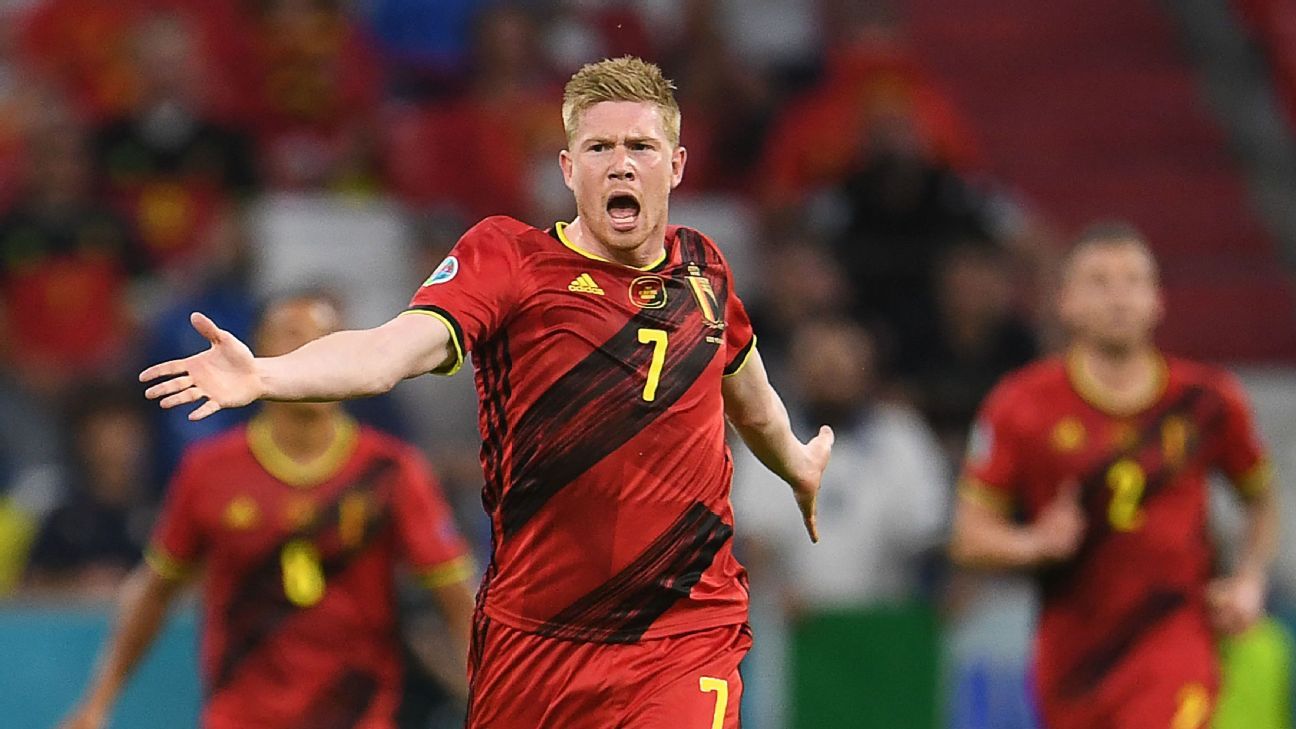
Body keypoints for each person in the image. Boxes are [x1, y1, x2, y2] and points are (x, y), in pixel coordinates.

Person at [139, 56, 833, 728]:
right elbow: (391, 350)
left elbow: (746, 386)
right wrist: (267, 374)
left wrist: (793, 459)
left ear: (676, 166)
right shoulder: (509, 260)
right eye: (599, 147)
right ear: (569, 168)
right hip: (534, 638)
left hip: (685, 628)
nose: (622, 163)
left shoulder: (705, 268)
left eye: (643, 147)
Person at [63, 292, 476, 729]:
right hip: (240, 718)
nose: (315, 352)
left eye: (329, 340)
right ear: (255, 353)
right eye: (295, 337)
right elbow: (156, 590)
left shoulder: (391, 471)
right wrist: (98, 700)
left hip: (357, 717)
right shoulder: (209, 471)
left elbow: (455, 598)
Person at [948, 222, 1280, 729]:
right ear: (1066, 302)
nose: (1118, 297)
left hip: (1174, 638)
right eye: (1099, 282)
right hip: (1073, 657)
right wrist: (1035, 544)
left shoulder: (1208, 402)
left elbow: (1261, 499)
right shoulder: (1020, 406)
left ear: (1157, 301)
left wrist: (1250, 578)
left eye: (1133, 281)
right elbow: (970, 538)